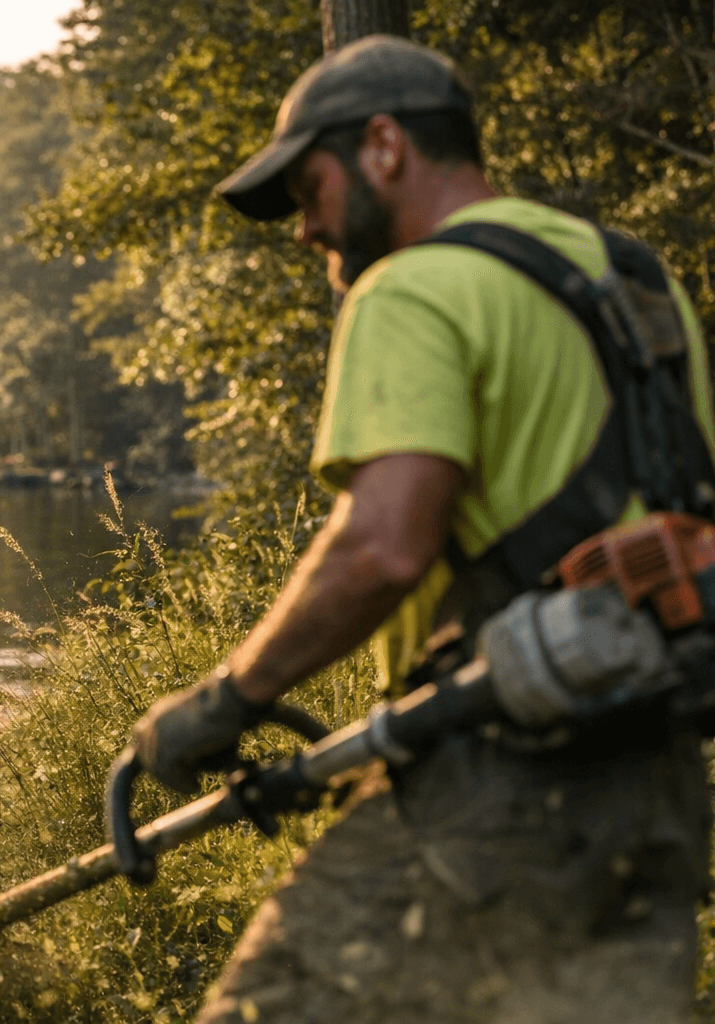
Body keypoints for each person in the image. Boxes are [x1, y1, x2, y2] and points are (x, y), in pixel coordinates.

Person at [131, 37, 715, 1024]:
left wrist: (228, 699)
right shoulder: (634, 280)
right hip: (652, 777)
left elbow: (382, 547)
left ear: (385, 147)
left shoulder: (409, 287)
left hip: (494, 789)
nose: (310, 227)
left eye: (310, 186)